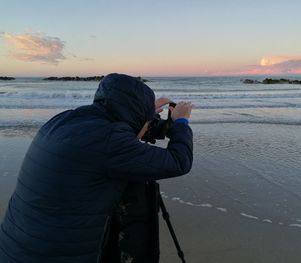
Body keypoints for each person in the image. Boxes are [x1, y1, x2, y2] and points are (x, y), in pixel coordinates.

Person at [0, 73, 193, 263]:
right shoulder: (111, 142)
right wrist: (181, 123)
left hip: (15, 247)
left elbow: (112, 141)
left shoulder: (63, 120)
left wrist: (143, 113)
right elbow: (179, 161)